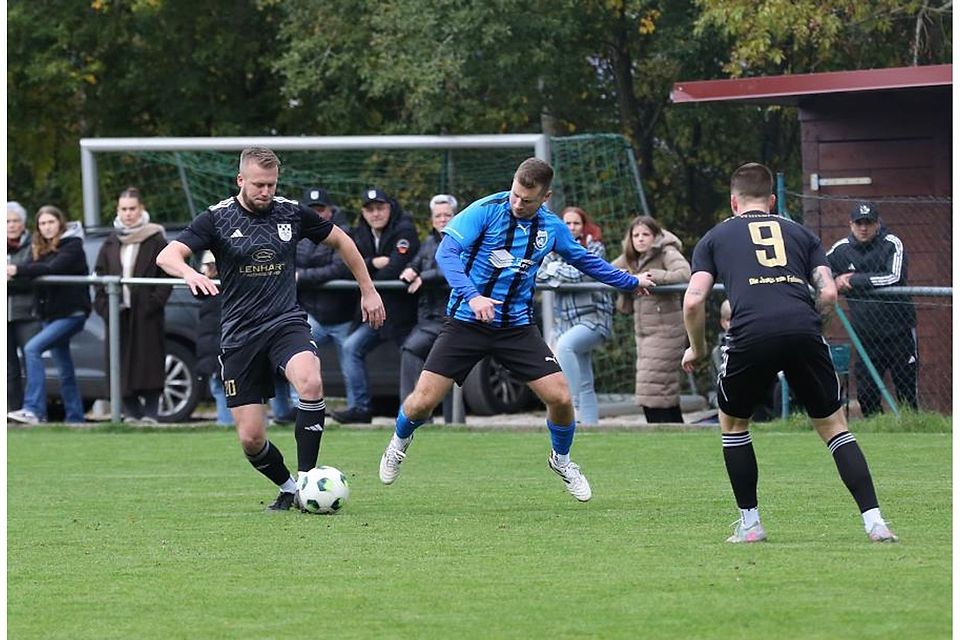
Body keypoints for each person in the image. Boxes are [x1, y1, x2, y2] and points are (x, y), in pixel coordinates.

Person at [376, 157, 655, 502]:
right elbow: (446, 254)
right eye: (515, 195)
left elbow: (585, 260)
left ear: (545, 197)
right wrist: (474, 297)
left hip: (516, 328)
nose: (518, 203)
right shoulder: (485, 210)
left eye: (527, 199)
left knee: (560, 397)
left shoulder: (551, 227)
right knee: (422, 402)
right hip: (466, 322)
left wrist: (630, 281)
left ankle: (561, 460)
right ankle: (398, 443)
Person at [156, 147, 385, 511]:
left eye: (272, 184)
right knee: (251, 439)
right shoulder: (216, 218)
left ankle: (307, 481)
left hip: (285, 322)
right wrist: (189, 272)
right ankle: (289, 487)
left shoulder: (291, 212)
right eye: (258, 185)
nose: (266, 192)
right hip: (240, 334)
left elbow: (342, 240)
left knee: (310, 381)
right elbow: (167, 255)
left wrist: (368, 290)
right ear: (241, 180)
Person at [681, 162, 897, 543]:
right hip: (802, 328)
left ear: (733, 202)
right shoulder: (801, 233)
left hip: (750, 333)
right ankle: (875, 522)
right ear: (772, 201)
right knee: (834, 427)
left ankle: (751, 525)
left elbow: (694, 300)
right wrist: (810, 326)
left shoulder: (714, 238)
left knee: (734, 425)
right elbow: (828, 292)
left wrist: (696, 349)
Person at [331, 188, 420, 424]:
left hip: (402, 314)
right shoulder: (359, 233)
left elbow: (395, 268)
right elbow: (346, 267)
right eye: (370, 209)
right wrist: (372, 263)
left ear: (390, 208)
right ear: (363, 212)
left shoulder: (405, 230)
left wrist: (364, 271)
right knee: (350, 347)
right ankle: (360, 408)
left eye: (380, 208)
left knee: (411, 354)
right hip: (373, 314)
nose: (376, 214)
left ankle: (413, 412)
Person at [825, 202, 918, 416]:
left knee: (907, 391)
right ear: (851, 224)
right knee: (866, 393)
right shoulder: (841, 249)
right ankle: (875, 426)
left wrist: (854, 281)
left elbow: (894, 277)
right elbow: (819, 270)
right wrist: (835, 279)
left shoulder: (891, 243)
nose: (864, 228)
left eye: (868, 223)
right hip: (865, 336)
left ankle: (911, 424)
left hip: (900, 332)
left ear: (877, 224)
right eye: (859, 223)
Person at [92, 187, 171, 424]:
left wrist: (153, 303)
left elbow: (167, 275)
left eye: (132, 209)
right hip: (119, 315)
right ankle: (131, 413)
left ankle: (151, 413)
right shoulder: (111, 241)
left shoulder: (156, 239)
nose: (128, 214)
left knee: (149, 361)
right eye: (123, 209)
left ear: (141, 209)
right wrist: (105, 307)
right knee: (120, 362)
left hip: (146, 314)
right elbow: (99, 276)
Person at [7, 205, 91, 425]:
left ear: (60, 223)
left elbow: (53, 268)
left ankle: (32, 409)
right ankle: (75, 418)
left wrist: (16, 270)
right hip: (51, 316)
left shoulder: (72, 245)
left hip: (72, 314)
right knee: (64, 370)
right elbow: (34, 267)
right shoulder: (41, 248)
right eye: (42, 223)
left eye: (51, 222)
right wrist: (16, 272)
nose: (47, 227)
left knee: (32, 348)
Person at [535, 206, 613, 426]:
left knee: (565, 346)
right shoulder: (552, 246)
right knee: (585, 377)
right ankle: (590, 427)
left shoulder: (594, 246)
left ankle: (572, 403)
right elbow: (538, 272)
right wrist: (558, 270)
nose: (571, 227)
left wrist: (554, 269)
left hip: (593, 319)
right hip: (566, 321)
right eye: (567, 223)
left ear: (584, 225)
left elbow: (580, 273)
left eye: (576, 223)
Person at [613, 215, 691, 423]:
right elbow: (607, 270)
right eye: (636, 235)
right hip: (644, 333)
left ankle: (664, 427)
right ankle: (673, 429)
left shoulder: (667, 251)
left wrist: (652, 277)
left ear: (656, 236)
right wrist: (626, 278)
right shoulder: (631, 257)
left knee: (652, 386)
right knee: (659, 389)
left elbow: (685, 274)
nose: (640, 239)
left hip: (667, 331)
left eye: (645, 234)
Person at [295, 186, 357, 410]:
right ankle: (297, 407)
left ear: (330, 210)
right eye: (312, 210)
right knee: (295, 354)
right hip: (312, 314)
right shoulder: (296, 234)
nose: (316, 214)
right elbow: (289, 265)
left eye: (320, 209)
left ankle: (358, 408)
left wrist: (302, 276)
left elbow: (340, 269)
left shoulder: (343, 232)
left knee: (350, 362)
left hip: (343, 315)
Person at [398, 194, 457, 417]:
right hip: (428, 318)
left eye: (447, 215)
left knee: (442, 362)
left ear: (455, 217)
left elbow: (455, 269)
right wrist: (410, 271)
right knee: (414, 352)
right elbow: (415, 262)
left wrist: (424, 277)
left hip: (451, 317)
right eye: (438, 216)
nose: (442, 219)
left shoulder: (463, 241)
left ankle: (450, 419)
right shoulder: (428, 243)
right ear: (432, 219)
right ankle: (412, 413)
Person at [7, 201, 42, 411]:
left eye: (15, 220)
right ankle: (11, 410)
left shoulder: (34, 245)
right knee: (8, 367)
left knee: (31, 362)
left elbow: (33, 275)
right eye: (7, 221)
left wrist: (15, 274)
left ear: (23, 223)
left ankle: (33, 410)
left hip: (28, 313)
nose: (11, 225)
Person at [194, 251, 233, 426]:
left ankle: (226, 422)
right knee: (219, 384)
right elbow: (197, 291)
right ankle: (226, 421)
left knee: (221, 384)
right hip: (216, 341)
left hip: (222, 341)